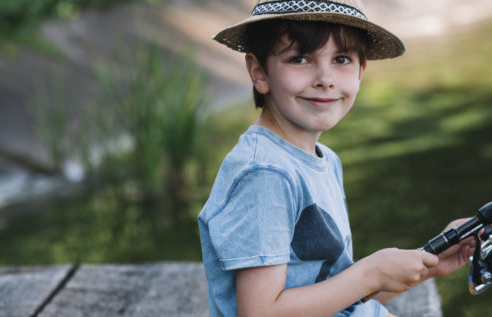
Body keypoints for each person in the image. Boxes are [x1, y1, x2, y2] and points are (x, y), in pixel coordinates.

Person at [198, 1, 476, 316]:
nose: (325, 78)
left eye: (341, 59)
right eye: (299, 58)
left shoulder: (324, 160)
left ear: (360, 72)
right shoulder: (265, 174)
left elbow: (335, 294)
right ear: (259, 72)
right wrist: (371, 271)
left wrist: (430, 261)